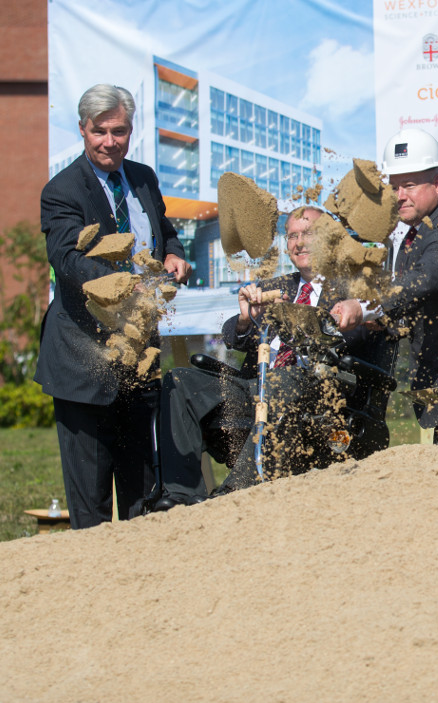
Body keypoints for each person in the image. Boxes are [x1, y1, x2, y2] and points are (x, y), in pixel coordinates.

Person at [156, 206, 393, 504]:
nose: (299, 243)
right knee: (181, 382)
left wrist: (317, 324)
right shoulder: (277, 286)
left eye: (308, 233)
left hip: (320, 396)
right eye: (292, 235)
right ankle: (179, 495)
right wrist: (247, 319)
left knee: (283, 382)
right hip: (258, 387)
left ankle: (232, 494)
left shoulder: (354, 287)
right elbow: (232, 334)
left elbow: (358, 334)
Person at [35, 83, 191, 529]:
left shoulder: (143, 178)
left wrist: (174, 254)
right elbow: (67, 260)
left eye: (118, 130)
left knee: (142, 489)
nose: (110, 141)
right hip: (84, 360)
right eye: (99, 131)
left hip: (140, 358)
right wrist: (125, 288)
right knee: (92, 503)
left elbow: (165, 230)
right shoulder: (62, 190)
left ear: (130, 129)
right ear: (83, 130)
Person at [329, 128, 438, 440]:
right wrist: (384, 319)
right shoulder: (416, 233)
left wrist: (362, 307)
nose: (400, 196)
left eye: (410, 185)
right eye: (395, 186)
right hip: (437, 384)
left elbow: (423, 281)